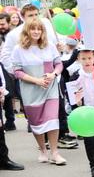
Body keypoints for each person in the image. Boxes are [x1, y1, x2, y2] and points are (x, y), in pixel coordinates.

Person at [12, 17, 66, 165]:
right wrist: (36, 81)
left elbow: (59, 64)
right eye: (33, 29)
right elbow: (17, 72)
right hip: (30, 91)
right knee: (36, 122)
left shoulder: (49, 46)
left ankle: (55, 153)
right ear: (27, 31)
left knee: (52, 120)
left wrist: (53, 75)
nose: (36, 32)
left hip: (50, 89)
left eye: (39, 29)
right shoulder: (18, 49)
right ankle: (43, 150)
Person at [72, 44, 94, 177]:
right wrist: (77, 103)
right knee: (89, 139)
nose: (87, 61)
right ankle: (93, 165)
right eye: (83, 58)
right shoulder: (76, 75)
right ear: (78, 59)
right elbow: (72, 94)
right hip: (85, 113)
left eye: (89, 58)